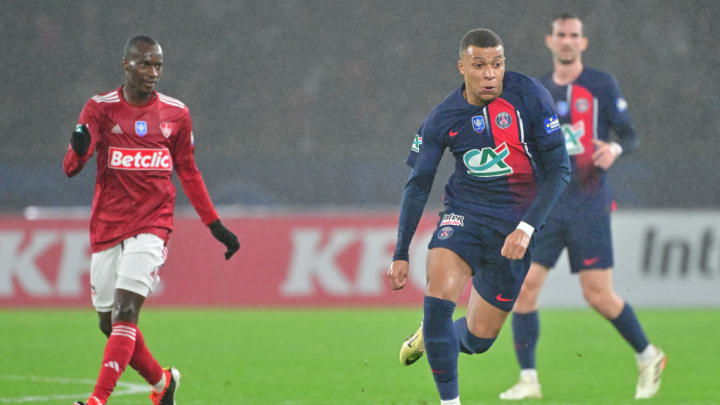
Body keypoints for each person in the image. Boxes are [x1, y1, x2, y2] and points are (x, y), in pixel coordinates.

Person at [387, 28, 571, 405]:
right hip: (465, 215)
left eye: (497, 65)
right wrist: (401, 251)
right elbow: (418, 184)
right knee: (439, 294)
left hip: (515, 229)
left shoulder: (530, 96)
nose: (490, 74)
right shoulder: (442, 118)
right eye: (480, 65)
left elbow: (559, 170)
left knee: (478, 340)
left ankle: (432, 335)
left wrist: (526, 227)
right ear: (462, 68)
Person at [498, 13, 666, 401]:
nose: (568, 40)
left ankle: (648, 355)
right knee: (524, 291)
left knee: (598, 296)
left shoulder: (601, 84)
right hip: (547, 207)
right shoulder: (536, 89)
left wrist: (614, 148)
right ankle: (528, 380)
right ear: (550, 41)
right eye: (561, 35)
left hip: (589, 205)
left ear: (583, 43)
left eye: (574, 35)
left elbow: (630, 134)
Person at [64, 35, 240, 405]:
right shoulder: (100, 109)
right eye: (145, 64)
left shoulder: (176, 114)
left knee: (127, 311)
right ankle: (162, 384)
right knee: (109, 324)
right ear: (125, 64)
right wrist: (79, 151)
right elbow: (71, 168)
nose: (153, 72)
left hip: (153, 227)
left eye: (158, 65)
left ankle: (97, 401)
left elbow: (188, 172)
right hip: (108, 228)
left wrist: (215, 225)